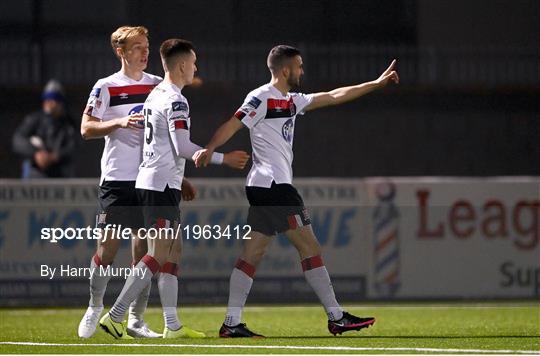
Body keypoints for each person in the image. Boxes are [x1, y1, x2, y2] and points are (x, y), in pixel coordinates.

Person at [194, 45, 399, 337]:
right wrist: (211, 149)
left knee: (253, 253)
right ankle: (337, 316)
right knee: (309, 247)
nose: (303, 71)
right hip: (275, 187)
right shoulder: (261, 97)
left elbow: (333, 96)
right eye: (299, 66)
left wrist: (375, 84)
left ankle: (231, 323)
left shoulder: (291, 101)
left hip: (265, 188)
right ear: (286, 69)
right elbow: (233, 123)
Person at [98, 38, 249, 339]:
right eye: (193, 62)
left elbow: (162, 144)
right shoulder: (176, 100)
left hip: (156, 181)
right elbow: (182, 146)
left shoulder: (155, 95)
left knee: (173, 251)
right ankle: (114, 316)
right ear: (181, 65)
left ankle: (172, 325)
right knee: (157, 254)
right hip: (159, 185)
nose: (196, 67)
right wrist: (222, 157)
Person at [77, 25, 163, 339]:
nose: (145, 52)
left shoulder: (158, 85)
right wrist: (118, 122)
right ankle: (94, 305)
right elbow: (86, 128)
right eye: (138, 47)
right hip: (116, 178)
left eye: (146, 46)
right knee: (108, 246)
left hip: (149, 179)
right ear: (121, 52)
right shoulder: (106, 86)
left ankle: (136, 320)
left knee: (144, 249)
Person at [12, 79, 77, 178]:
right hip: (35, 173)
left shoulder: (69, 123)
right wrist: (36, 153)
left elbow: (74, 146)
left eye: (54, 99)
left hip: (61, 174)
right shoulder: (34, 120)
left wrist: (55, 156)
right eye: (47, 98)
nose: (49, 102)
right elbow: (18, 140)